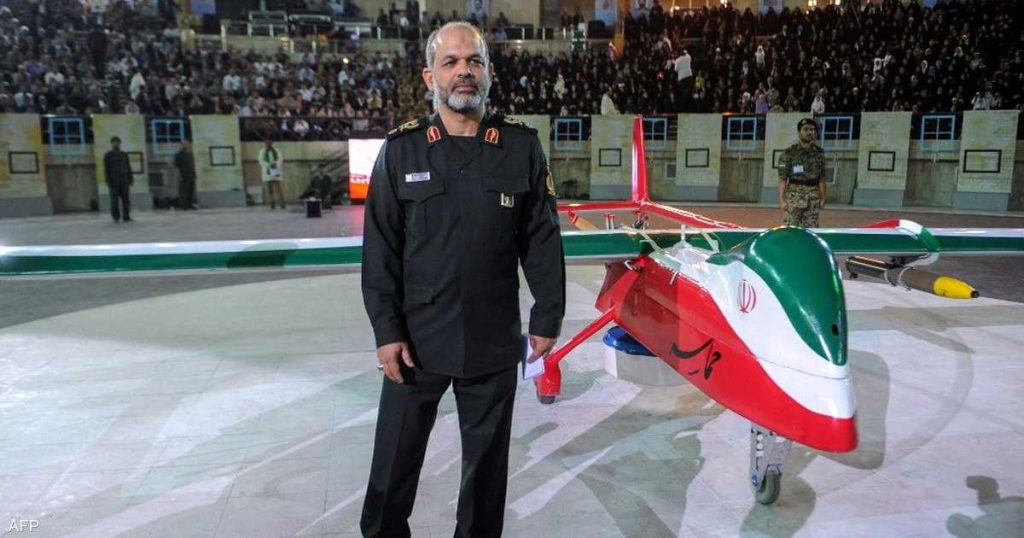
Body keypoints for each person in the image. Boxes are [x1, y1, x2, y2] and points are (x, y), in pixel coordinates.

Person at [360, 21, 565, 538]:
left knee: (486, 474)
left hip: (492, 337)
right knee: (393, 464)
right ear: (430, 76)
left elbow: (541, 237)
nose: (463, 71)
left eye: (473, 61)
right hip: (416, 341)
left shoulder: (520, 146)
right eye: (450, 62)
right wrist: (386, 330)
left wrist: (547, 315)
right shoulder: (402, 150)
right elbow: (380, 249)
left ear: (489, 72)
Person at [778, 118, 826, 227]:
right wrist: (782, 199)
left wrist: (823, 198)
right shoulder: (789, 153)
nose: (810, 132)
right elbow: (782, 178)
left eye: (812, 129)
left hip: (813, 198)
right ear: (799, 132)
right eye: (806, 129)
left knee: (811, 230)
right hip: (794, 198)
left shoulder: (819, 153)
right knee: (791, 230)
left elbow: (822, 178)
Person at [103, 136, 133, 223]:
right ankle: (116, 217)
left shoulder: (124, 154)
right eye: (114, 142)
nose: (116, 144)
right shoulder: (108, 155)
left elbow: (128, 167)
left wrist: (130, 179)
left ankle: (126, 216)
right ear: (112, 143)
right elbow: (106, 168)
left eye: (117, 142)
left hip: (124, 181)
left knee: (126, 200)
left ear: (120, 143)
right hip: (113, 181)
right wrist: (108, 180)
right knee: (114, 201)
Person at [259, 139, 286, 209]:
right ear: (265, 143)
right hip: (267, 172)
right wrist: (269, 165)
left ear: (272, 143)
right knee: (270, 190)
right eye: (267, 142)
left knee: (279, 189)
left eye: (270, 142)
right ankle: (272, 203)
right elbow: (261, 161)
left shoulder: (276, 151)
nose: (268, 144)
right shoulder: (262, 152)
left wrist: (275, 164)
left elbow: (280, 159)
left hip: (275, 169)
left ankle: (282, 204)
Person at [173, 141, 197, 210]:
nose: (186, 145)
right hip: (183, 175)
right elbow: (176, 165)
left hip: (191, 175)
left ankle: (190, 204)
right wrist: (180, 175)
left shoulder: (190, 154)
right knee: (184, 191)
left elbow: (192, 165)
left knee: (191, 190)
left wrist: (194, 174)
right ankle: (184, 205)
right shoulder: (178, 155)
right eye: (184, 144)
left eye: (186, 144)